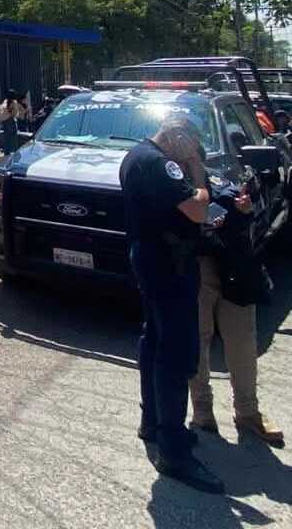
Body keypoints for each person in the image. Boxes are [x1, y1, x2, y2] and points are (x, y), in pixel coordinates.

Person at [119, 115, 223, 494]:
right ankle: (173, 449)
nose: (192, 153)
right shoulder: (160, 163)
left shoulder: (136, 155)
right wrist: (198, 175)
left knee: (154, 340)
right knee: (175, 353)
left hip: (150, 257)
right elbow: (197, 209)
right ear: (177, 135)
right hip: (169, 264)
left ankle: (153, 422)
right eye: (191, 144)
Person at [189, 179, 284, 446]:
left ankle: (248, 412)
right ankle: (202, 410)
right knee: (199, 338)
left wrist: (243, 210)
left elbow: (247, 210)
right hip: (196, 266)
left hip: (235, 263)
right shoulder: (168, 173)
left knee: (242, 340)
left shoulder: (220, 174)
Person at [0, 89, 21, 155]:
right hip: (11, 121)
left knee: (6, 139)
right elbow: (15, 113)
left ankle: (6, 154)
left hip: (5, 122)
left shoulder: (4, 102)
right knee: (14, 139)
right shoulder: (14, 102)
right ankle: (15, 154)